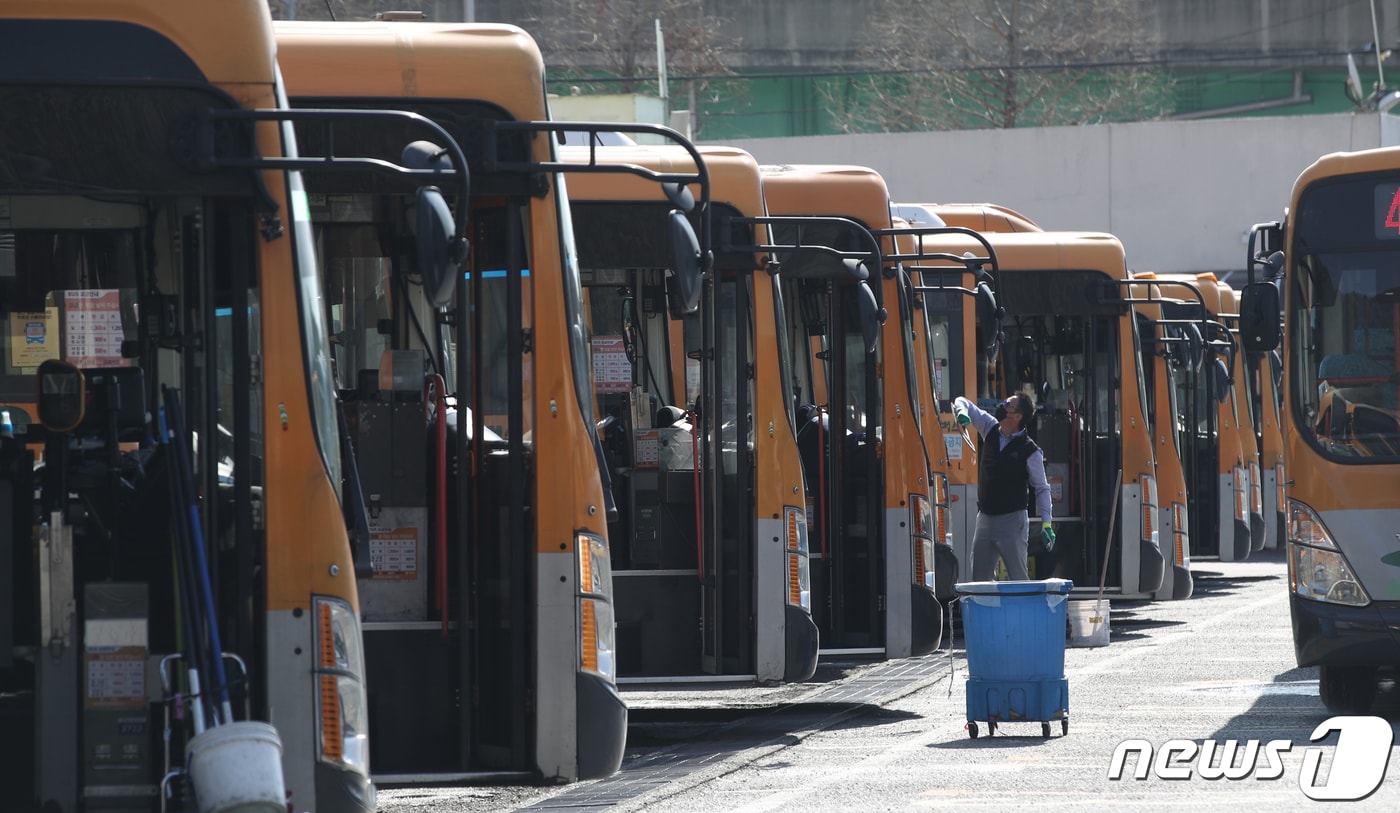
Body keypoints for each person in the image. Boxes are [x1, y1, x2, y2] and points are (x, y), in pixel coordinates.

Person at [952, 392, 1054, 582]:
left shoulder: (1030, 451)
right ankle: (986, 612)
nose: (1002, 405)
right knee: (979, 581)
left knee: (1019, 579)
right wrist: (961, 412)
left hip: (1012, 522)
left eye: (1008, 404)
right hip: (985, 519)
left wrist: (1046, 523)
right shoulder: (990, 427)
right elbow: (962, 401)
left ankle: (1023, 611)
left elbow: (1042, 488)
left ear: (1017, 417)